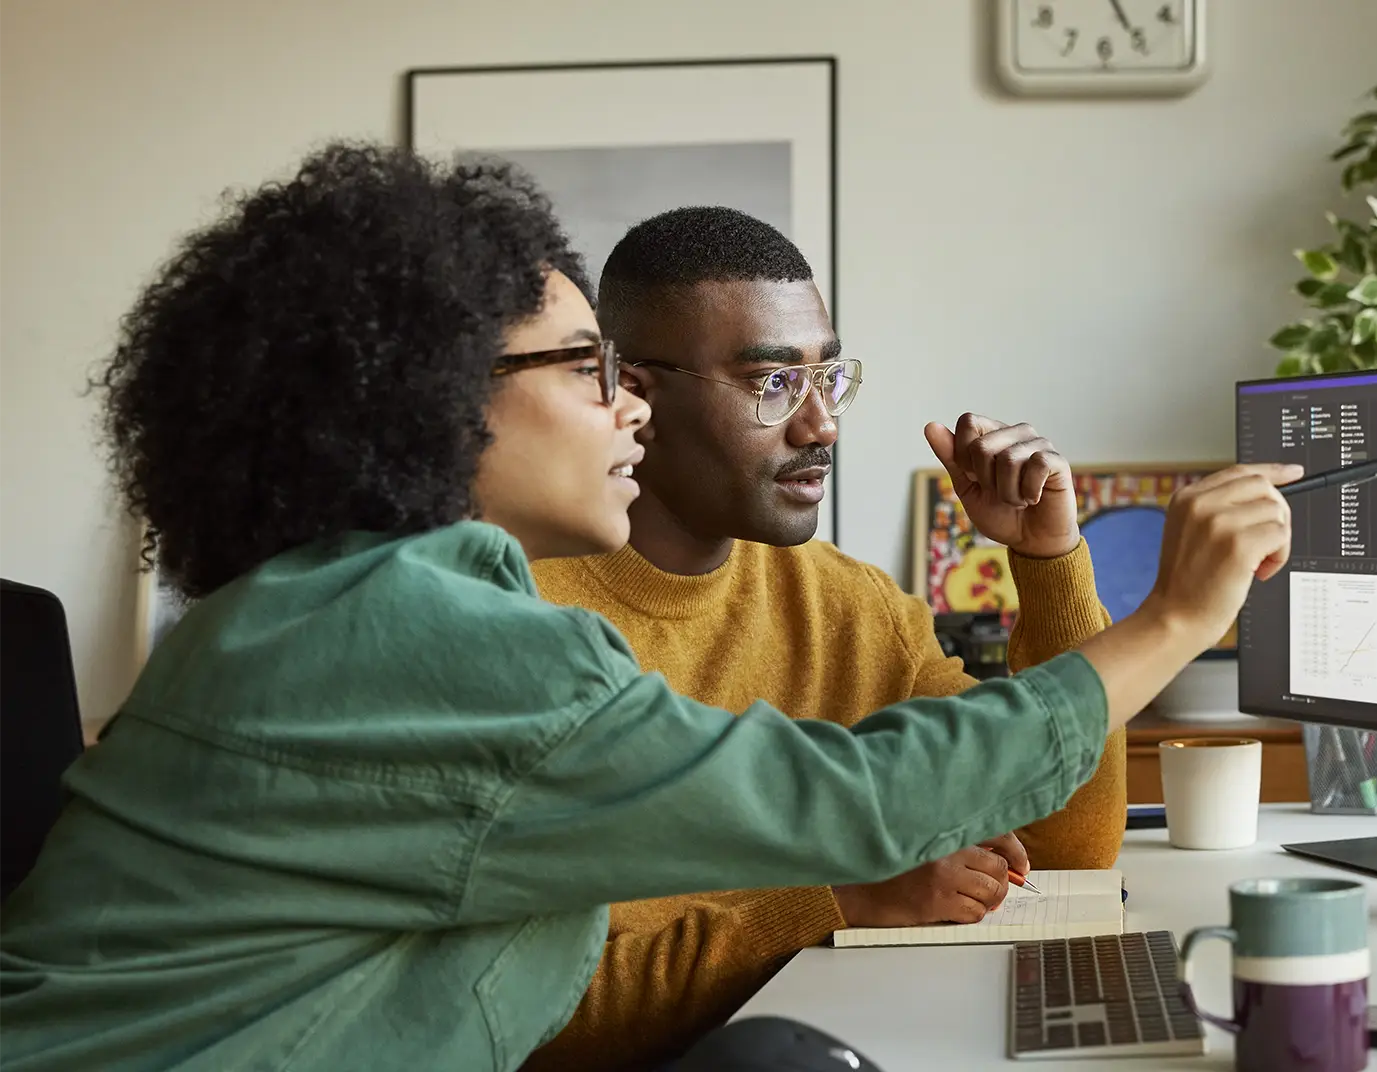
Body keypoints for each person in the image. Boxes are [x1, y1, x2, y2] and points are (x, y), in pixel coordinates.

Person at [0, 144, 1298, 1072]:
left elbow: (1032, 841)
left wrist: (1057, 574)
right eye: (586, 368)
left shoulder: (327, 608)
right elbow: (858, 803)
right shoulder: (415, 637)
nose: (626, 405)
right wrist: (1175, 616)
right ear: (436, 396)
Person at [526, 207, 1125, 1069]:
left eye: (828, 378)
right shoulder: (519, 624)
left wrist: (1049, 561)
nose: (822, 426)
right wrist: (839, 901)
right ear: (639, 398)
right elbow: (536, 1014)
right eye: (773, 384)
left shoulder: (849, 606)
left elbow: (1066, 849)